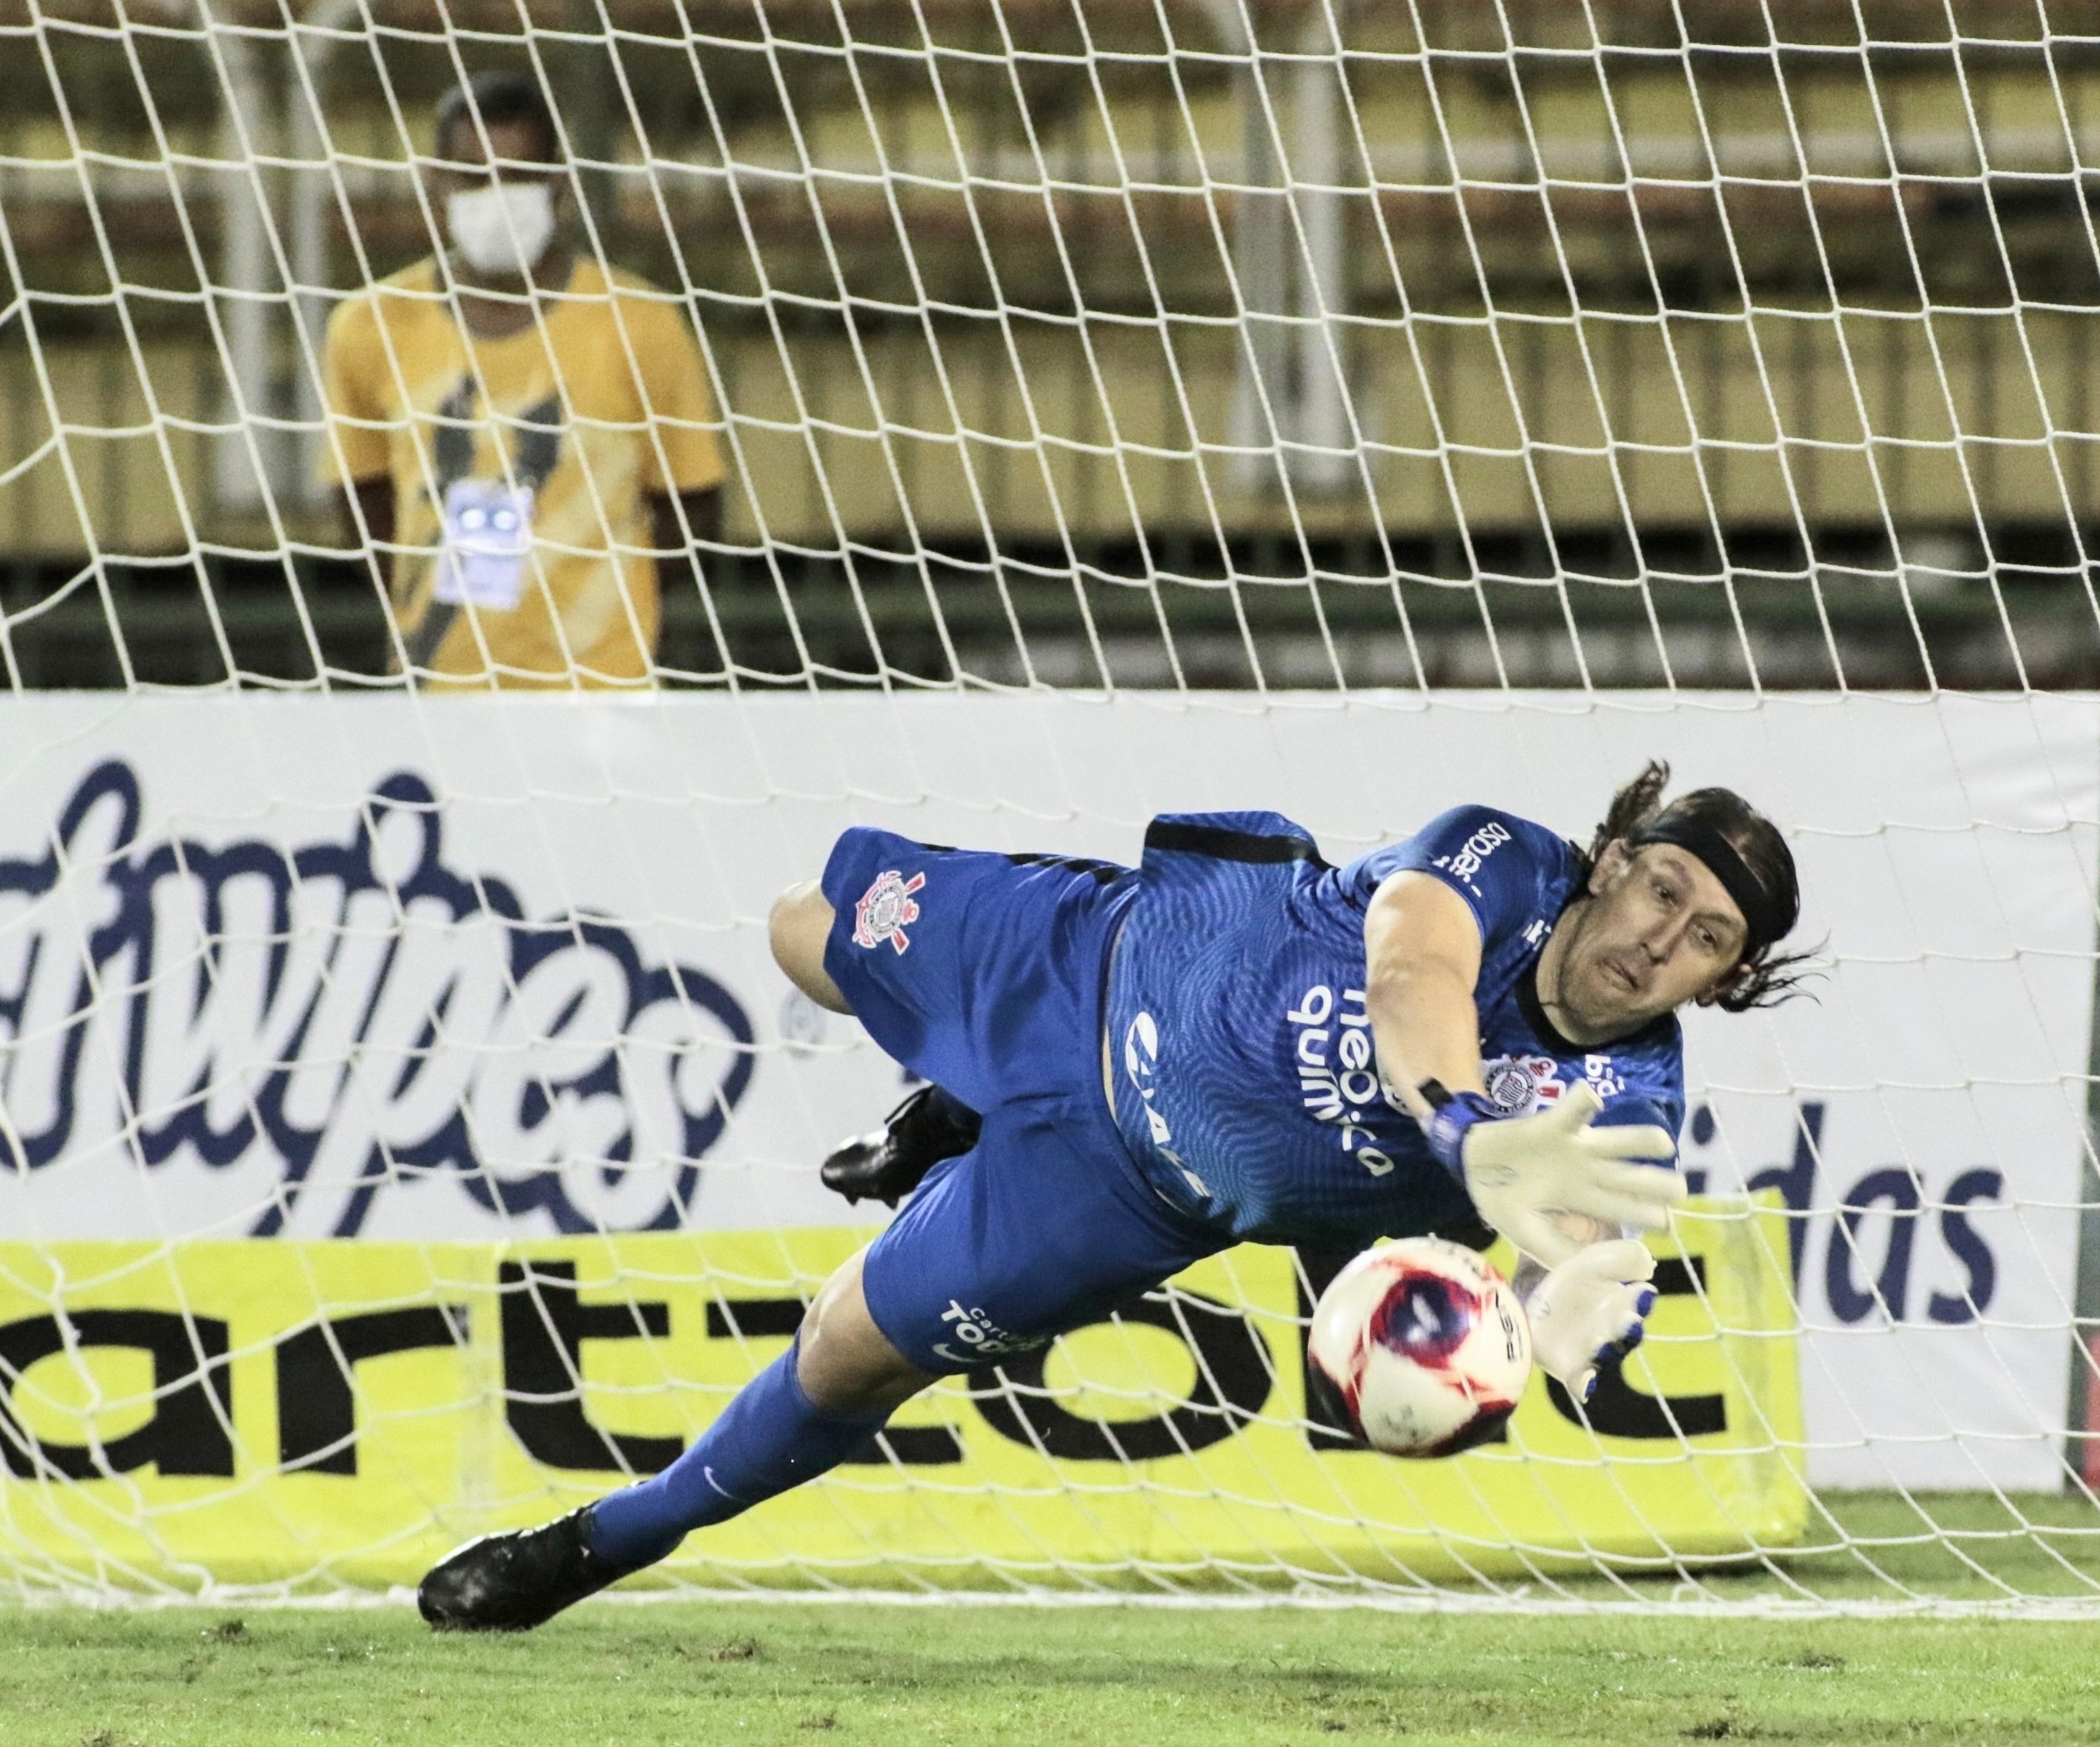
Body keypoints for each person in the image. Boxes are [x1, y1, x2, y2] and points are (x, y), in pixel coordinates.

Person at [417, 761, 1808, 1630]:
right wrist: (1458, 1121)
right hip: (1090, 960)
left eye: (1707, 940)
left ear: (1725, 981)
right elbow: (1410, 978)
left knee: (844, 1356)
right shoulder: (1501, 860)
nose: (1658, 940)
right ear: (1613, 858)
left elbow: (1577, 1276)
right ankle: (958, 1098)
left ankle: (601, 1540)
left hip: (1129, 1194)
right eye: (1660, 889)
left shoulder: (1622, 1111)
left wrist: (1507, 1346)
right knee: (803, 928)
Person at [321, 72, 726, 689]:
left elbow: (692, 508)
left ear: (557, 187)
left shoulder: (640, 322)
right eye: (476, 177)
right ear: (437, 184)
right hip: (440, 693)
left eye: (518, 177)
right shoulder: (368, 327)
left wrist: (592, 590)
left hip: (602, 693)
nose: (497, 196)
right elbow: (363, 501)